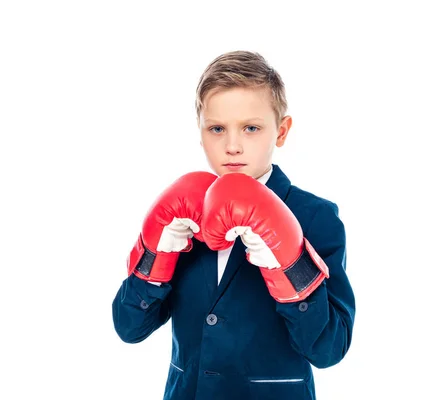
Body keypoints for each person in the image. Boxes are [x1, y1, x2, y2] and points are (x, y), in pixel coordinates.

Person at [112, 50, 356, 400]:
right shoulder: (181, 214)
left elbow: (329, 350)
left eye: (251, 128)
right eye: (217, 128)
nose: (232, 146)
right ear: (200, 133)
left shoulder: (315, 216)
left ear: (281, 131)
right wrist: (156, 255)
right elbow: (129, 328)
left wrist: (292, 267)